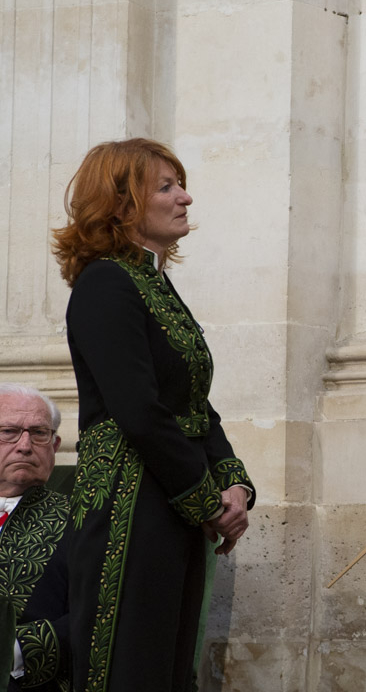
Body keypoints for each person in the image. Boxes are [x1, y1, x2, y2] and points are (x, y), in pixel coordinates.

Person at [51, 138, 255, 691]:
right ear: (121, 206)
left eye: (179, 184)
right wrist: (206, 500)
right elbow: (140, 411)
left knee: (169, 666)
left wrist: (234, 484)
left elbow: (192, 400)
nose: (185, 197)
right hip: (128, 505)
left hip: (168, 499)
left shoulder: (152, 281)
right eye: (166, 187)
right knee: (133, 664)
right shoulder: (104, 284)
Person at [0, 384, 70, 692]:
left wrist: (11, 651)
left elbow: (103, 612)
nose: (25, 445)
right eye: (9, 432)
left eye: (39, 433)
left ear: (54, 445)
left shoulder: (85, 522)